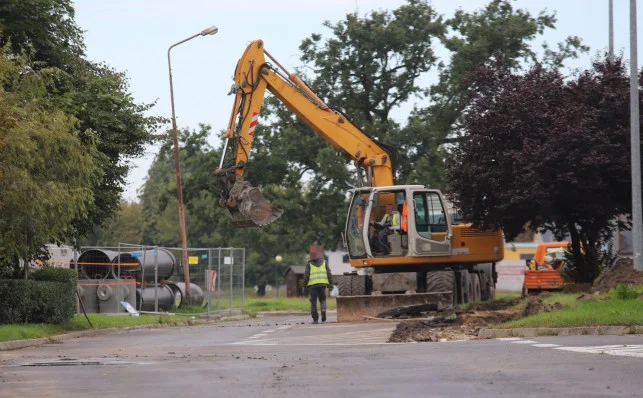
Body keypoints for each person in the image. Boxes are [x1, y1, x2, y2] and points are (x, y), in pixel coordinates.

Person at [303, 245, 333, 324]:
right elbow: (329, 274)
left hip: (313, 286)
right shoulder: (324, 262)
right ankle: (323, 310)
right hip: (323, 285)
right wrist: (331, 285)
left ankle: (315, 319)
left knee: (313, 302)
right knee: (322, 300)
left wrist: (304, 286)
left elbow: (306, 276)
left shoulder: (309, 264)